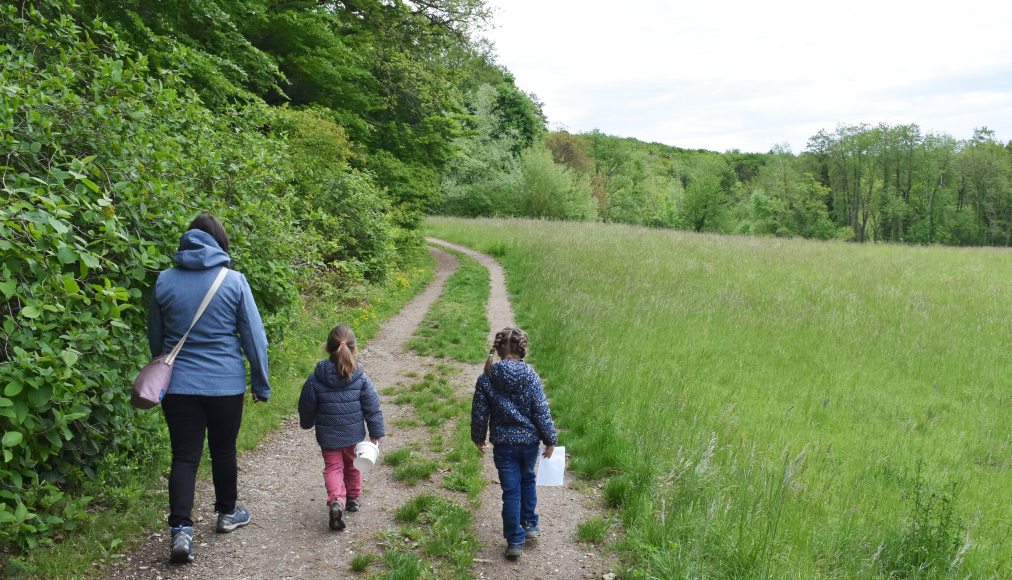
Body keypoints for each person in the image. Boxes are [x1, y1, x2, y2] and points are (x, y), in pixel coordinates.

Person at [147, 214, 270, 564]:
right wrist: (260, 382)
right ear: (220, 242)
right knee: (223, 450)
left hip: (179, 385)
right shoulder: (234, 281)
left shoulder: (164, 281)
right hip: (225, 384)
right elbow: (254, 338)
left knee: (184, 456)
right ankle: (227, 514)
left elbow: (156, 338)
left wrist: (162, 369)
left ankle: (181, 531)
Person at [471, 327, 558, 560]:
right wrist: (550, 439)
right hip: (529, 443)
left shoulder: (487, 377)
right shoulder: (530, 376)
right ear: (523, 349)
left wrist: (478, 437)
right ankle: (529, 523)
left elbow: (480, 413)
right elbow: (541, 410)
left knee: (510, 491)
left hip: (503, 445)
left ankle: (514, 540)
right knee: (527, 479)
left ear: (498, 350)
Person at [298, 324, 384, 531]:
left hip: (328, 437)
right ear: (353, 349)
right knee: (353, 465)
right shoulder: (361, 378)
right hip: (353, 434)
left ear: (328, 348)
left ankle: (337, 501)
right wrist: (376, 434)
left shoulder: (315, 379)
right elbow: (373, 408)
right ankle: (353, 498)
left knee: (333, 468)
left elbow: (306, 405)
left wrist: (307, 423)